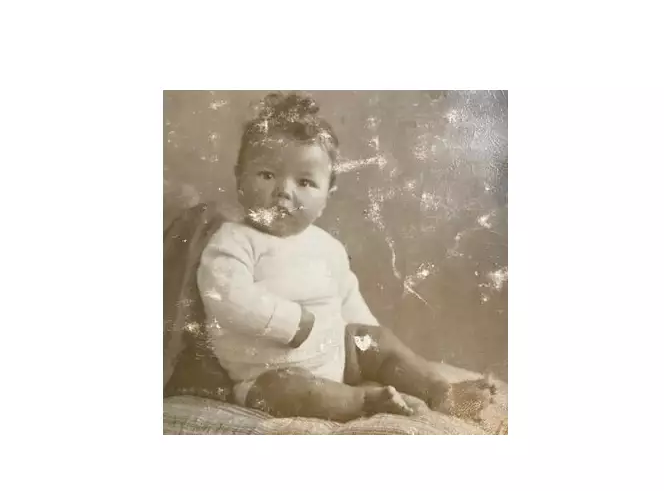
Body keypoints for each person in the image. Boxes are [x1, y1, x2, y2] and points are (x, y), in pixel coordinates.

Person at [197, 92, 496, 423]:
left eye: (305, 182)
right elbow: (227, 296)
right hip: (267, 372)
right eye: (267, 175)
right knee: (283, 389)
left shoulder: (327, 246)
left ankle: (441, 392)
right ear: (239, 178)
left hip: (338, 353)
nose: (284, 190)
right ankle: (364, 402)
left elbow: (349, 301)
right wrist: (289, 321)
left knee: (376, 341)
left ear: (327, 194)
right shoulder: (233, 241)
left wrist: (374, 343)